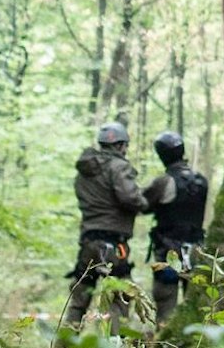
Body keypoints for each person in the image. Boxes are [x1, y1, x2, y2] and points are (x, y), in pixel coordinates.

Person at [67, 121, 147, 326]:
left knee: (78, 300)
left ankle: (65, 342)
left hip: (88, 242)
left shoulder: (83, 172)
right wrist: (144, 203)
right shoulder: (118, 167)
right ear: (120, 145)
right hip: (113, 244)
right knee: (119, 299)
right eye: (125, 146)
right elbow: (130, 198)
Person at [142, 131, 208, 324]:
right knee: (196, 308)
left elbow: (142, 204)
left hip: (169, 252)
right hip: (197, 250)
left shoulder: (164, 182)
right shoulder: (201, 181)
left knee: (166, 309)